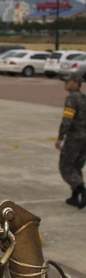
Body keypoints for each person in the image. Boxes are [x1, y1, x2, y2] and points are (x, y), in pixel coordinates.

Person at [56, 70, 86, 208]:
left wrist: (60, 137)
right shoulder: (84, 98)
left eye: (68, 81)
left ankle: (82, 191)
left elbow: (67, 120)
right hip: (84, 138)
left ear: (75, 83)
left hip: (75, 138)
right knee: (76, 167)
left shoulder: (72, 99)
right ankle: (75, 196)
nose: (65, 84)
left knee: (66, 166)